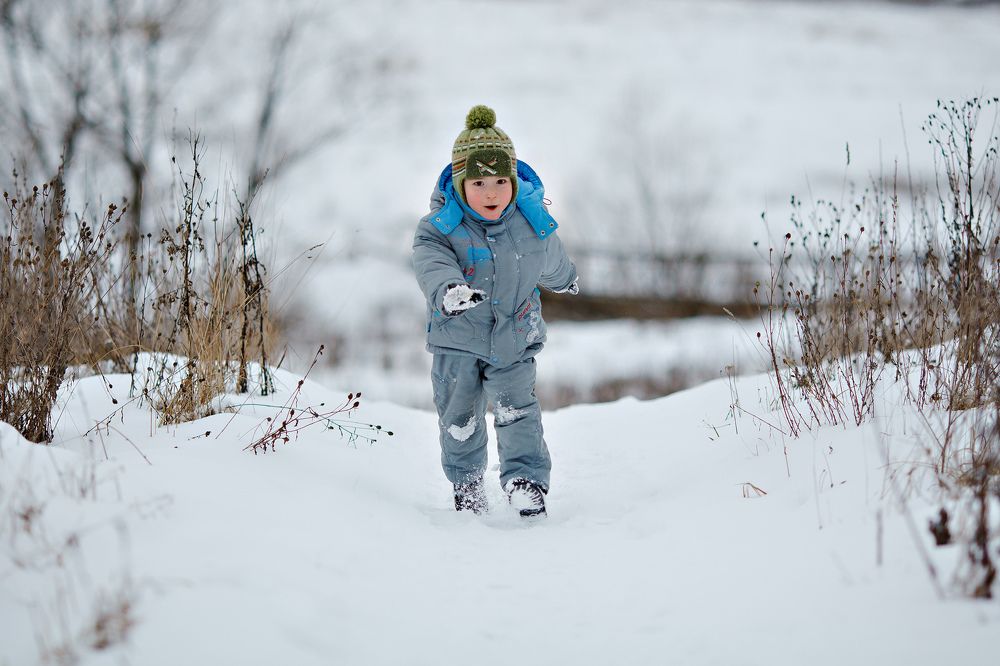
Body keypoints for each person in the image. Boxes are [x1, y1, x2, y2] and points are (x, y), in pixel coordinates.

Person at [411, 105, 578, 518]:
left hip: (515, 337)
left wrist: (565, 278)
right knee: (459, 415)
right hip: (458, 338)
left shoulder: (531, 220)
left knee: (517, 410)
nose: (492, 193)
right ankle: (467, 484)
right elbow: (432, 263)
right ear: (461, 183)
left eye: (502, 181)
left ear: (514, 181)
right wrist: (449, 291)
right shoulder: (440, 227)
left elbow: (549, 257)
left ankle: (525, 483)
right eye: (480, 182)